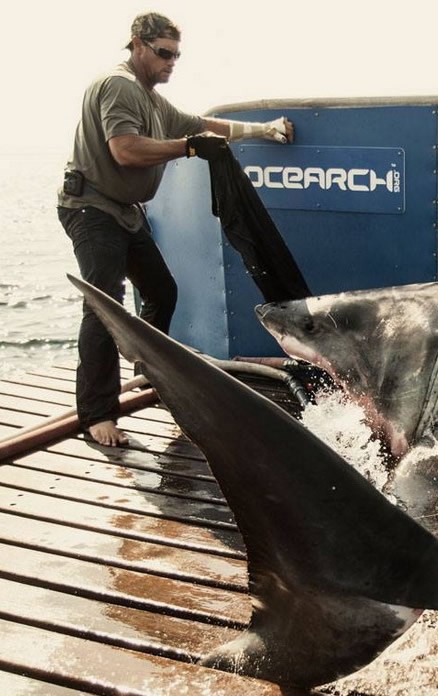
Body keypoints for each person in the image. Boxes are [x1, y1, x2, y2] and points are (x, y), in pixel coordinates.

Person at [57, 12, 295, 447]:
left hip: (125, 212)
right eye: (164, 53)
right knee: (103, 305)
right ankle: (96, 414)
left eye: (176, 56)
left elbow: (204, 126)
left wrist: (264, 130)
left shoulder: (152, 100)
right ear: (137, 44)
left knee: (162, 291)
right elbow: (125, 150)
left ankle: (145, 372)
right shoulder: (119, 86)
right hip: (90, 208)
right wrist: (186, 148)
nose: (171, 63)